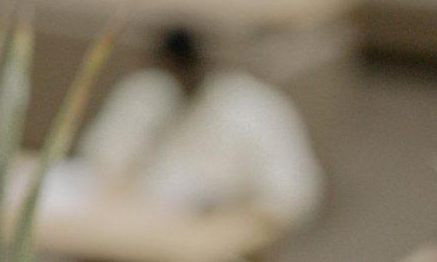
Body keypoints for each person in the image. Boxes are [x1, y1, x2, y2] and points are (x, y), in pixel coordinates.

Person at [40, 22, 324, 228]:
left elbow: (294, 192)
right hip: (142, 230)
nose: (181, 79)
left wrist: (231, 209)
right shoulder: (146, 95)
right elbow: (100, 161)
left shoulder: (253, 108)